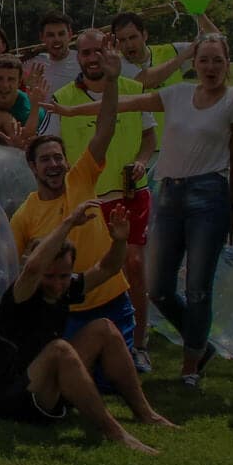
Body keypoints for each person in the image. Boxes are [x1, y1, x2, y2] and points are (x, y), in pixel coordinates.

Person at [57, 32, 233, 386]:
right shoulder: (176, 95)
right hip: (170, 194)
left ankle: (190, 365)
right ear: (194, 63)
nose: (210, 67)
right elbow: (120, 106)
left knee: (197, 287)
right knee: (159, 287)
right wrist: (70, 110)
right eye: (204, 60)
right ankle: (199, 343)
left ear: (228, 64)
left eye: (218, 60)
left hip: (210, 195)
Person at [0, 201, 174, 452]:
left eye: (64, 276)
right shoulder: (21, 293)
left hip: (42, 383)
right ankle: (115, 433)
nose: (58, 284)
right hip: (8, 397)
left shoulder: (66, 287)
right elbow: (32, 268)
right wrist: (69, 222)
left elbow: (107, 268)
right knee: (60, 349)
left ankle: (146, 413)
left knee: (104, 328)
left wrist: (119, 241)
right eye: (50, 276)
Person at [10, 72, 143, 385]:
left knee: (113, 382)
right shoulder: (25, 215)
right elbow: (16, 273)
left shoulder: (81, 177)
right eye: (45, 160)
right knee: (77, 382)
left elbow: (106, 127)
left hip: (112, 299)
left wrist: (111, 82)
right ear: (32, 167)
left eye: (59, 158)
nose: (54, 164)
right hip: (66, 311)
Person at [48, 28, 159, 370]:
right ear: (76, 57)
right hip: (88, 204)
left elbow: (149, 138)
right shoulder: (63, 96)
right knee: (88, 274)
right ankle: (83, 342)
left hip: (129, 195)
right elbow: (54, 149)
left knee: (134, 268)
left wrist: (141, 161)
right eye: (85, 53)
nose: (92, 58)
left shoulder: (133, 88)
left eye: (98, 51)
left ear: (109, 50)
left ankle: (138, 344)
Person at [109, 10, 196, 88]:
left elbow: (208, 44)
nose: (128, 45)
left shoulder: (173, 50)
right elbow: (146, 81)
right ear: (116, 43)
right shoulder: (117, 64)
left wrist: (199, 13)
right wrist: (183, 56)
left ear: (144, 35)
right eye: (122, 40)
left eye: (133, 37)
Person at [22, 12, 79, 92]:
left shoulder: (82, 60)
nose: (57, 39)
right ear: (42, 37)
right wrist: (29, 87)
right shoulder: (31, 65)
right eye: (50, 35)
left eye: (61, 34)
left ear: (70, 35)